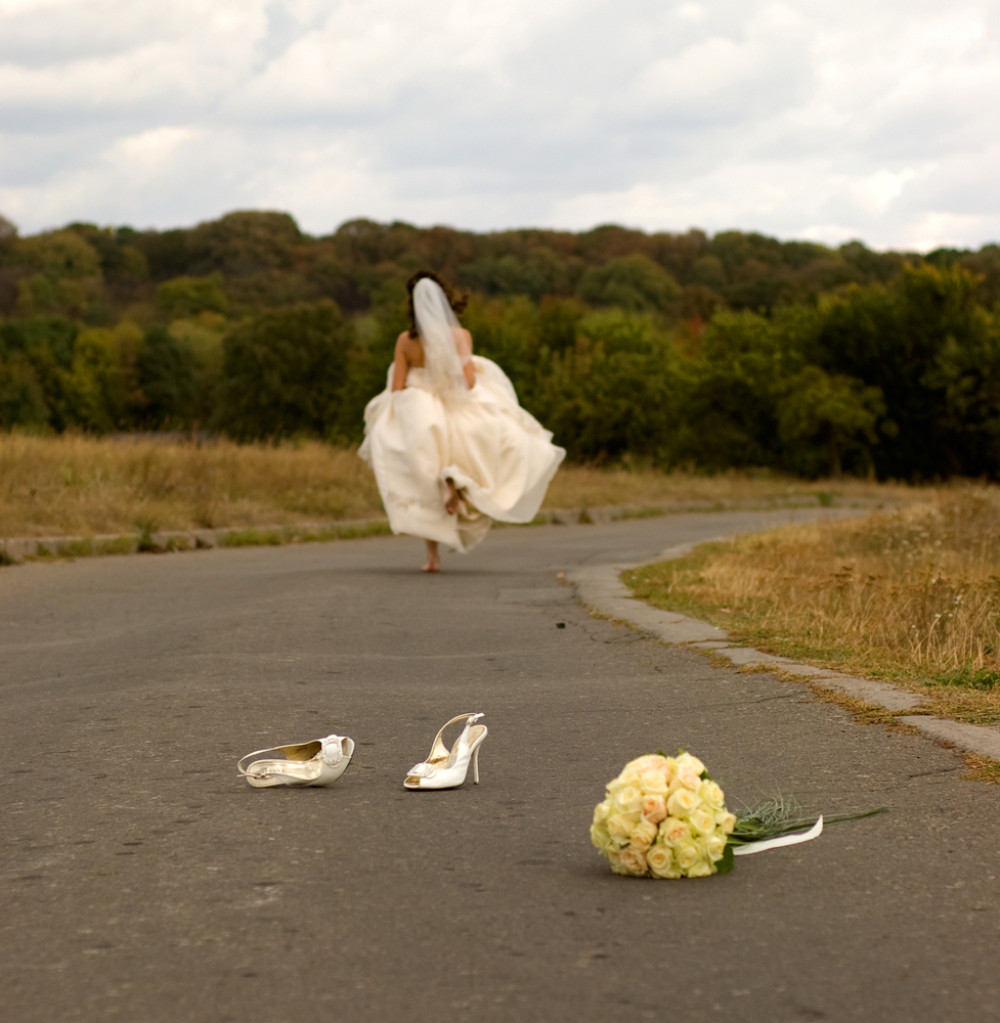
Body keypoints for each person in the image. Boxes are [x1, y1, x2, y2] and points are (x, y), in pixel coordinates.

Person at [359, 271, 565, 571]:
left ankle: (432, 556)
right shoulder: (460, 336)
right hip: (457, 410)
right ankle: (455, 480)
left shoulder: (405, 341)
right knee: (485, 454)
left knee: (421, 481)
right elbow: (467, 383)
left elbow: (396, 389)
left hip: (421, 411)